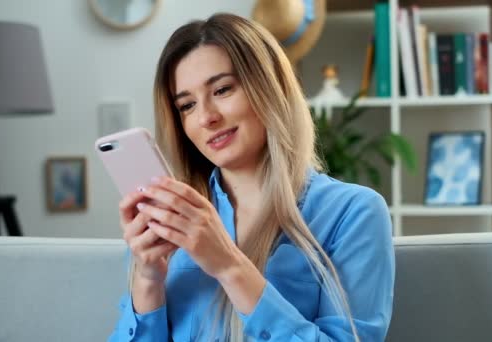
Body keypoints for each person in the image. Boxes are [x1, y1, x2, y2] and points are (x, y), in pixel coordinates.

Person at [109, 13, 394, 342]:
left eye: (222, 89)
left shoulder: (353, 213)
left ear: (270, 87)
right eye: (186, 105)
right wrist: (147, 279)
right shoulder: (171, 221)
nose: (206, 118)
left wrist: (229, 266)